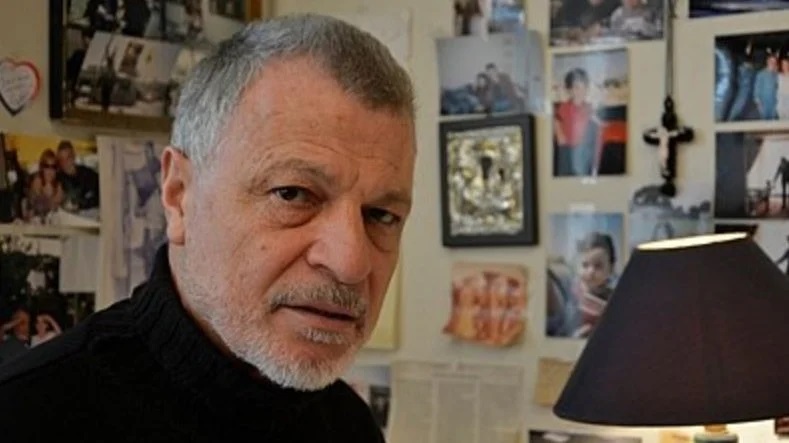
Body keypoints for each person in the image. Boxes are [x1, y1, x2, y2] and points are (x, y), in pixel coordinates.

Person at [0, 14, 416, 441]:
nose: (351, 263)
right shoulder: (23, 417)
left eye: (381, 215)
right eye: (292, 194)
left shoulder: (348, 425)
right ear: (179, 195)